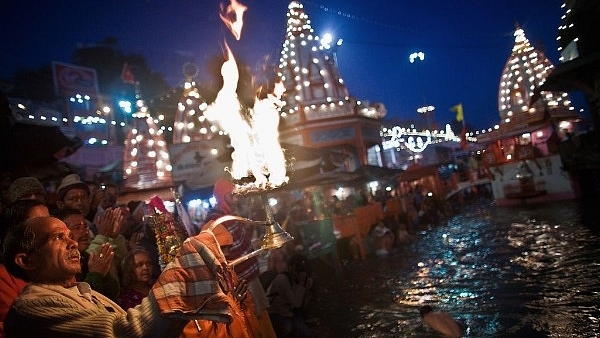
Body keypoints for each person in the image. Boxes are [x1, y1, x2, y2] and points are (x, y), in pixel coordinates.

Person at [2, 215, 255, 337]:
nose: (73, 243)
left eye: (71, 236)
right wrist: (185, 266)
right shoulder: (32, 306)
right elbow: (123, 332)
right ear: (26, 260)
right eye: (58, 238)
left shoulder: (83, 293)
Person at [201, 178, 276, 338]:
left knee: (263, 321)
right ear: (221, 196)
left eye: (235, 194)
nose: (235, 198)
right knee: (254, 326)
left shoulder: (229, 215)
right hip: (241, 284)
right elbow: (220, 256)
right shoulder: (215, 221)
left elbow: (239, 243)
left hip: (250, 279)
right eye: (231, 195)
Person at [0, 199, 49, 331]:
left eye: (49, 219)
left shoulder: (56, 266)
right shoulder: (3, 277)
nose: (51, 227)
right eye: (40, 222)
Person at [55, 207, 119, 301]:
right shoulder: (59, 265)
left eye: (85, 227)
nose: (85, 232)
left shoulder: (87, 258)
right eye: (77, 228)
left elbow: (112, 295)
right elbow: (78, 302)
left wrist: (104, 274)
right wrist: (95, 274)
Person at [266, 252, 313, 338]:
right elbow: (296, 304)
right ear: (290, 267)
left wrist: (307, 290)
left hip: (288, 312)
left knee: (304, 331)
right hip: (275, 313)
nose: (298, 271)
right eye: (297, 268)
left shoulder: (297, 279)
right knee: (288, 327)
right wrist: (302, 284)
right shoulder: (282, 278)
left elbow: (303, 306)